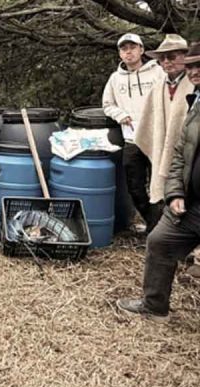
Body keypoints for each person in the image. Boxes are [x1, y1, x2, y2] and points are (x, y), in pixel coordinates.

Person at [116, 44, 200, 322]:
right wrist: (175, 191)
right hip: (191, 201)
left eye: (198, 65)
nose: (194, 71)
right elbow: (179, 151)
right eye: (191, 66)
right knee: (159, 241)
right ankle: (154, 306)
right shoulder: (194, 102)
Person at [103, 33, 165, 232]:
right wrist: (120, 114)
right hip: (131, 140)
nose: (128, 52)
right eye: (124, 49)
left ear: (141, 50)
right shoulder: (115, 79)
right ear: (120, 53)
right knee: (135, 188)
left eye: (132, 47)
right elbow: (107, 104)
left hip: (156, 139)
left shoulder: (157, 73)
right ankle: (153, 223)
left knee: (160, 187)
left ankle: (160, 230)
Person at [134, 34, 191, 233]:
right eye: (163, 58)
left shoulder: (194, 84)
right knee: (167, 194)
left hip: (190, 153)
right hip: (164, 149)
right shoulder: (158, 87)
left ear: (186, 57)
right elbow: (148, 123)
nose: (167, 62)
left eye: (173, 57)